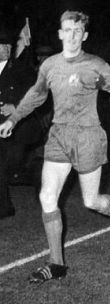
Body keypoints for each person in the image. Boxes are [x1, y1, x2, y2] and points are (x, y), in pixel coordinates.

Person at [0, 10, 110, 283]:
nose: (73, 35)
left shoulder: (95, 65)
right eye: (68, 29)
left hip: (88, 137)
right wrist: (14, 118)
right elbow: (37, 95)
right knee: (47, 197)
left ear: (85, 35)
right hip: (58, 137)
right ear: (60, 33)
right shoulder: (50, 65)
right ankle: (57, 264)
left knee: (92, 201)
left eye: (78, 31)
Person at [0, 29, 37, 218]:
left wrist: (14, 106)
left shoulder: (21, 69)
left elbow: (36, 93)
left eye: (8, 46)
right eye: (1, 45)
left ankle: (36, 176)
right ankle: (4, 207)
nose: (5, 49)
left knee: (12, 167)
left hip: (17, 127)